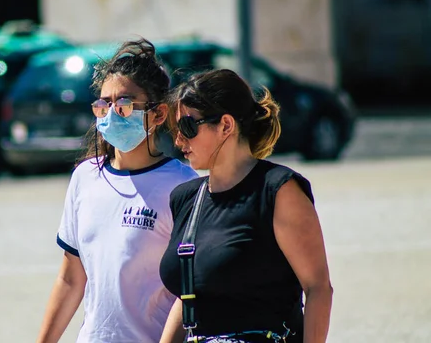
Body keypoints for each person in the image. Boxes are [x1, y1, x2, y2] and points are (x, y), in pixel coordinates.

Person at [36, 39, 198, 343]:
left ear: (159, 114)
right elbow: (71, 279)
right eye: (103, 105)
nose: (111, 114)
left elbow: (189, 289)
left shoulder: (182, 185)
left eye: (123, 104)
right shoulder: (85, 177)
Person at [159, 69, 333, 343]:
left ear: (226, 126)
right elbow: (189, 297)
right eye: (175, 130)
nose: (178, 141)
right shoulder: (185, 198)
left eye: (187, 128)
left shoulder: (278, 190)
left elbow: (318, 288)